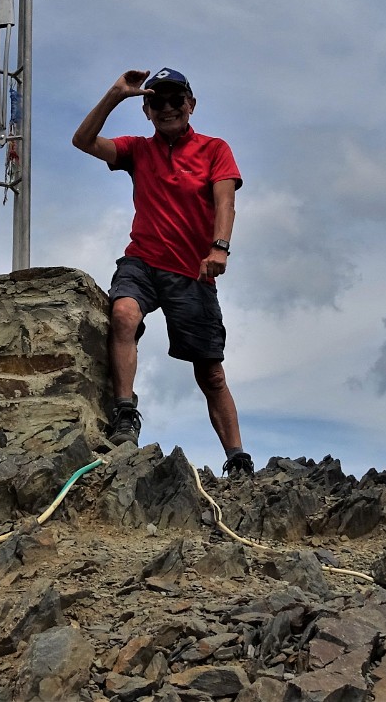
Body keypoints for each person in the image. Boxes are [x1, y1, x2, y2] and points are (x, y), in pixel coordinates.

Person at [71, 67, 254, 477]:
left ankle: (237, 456)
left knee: (210, 373)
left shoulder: (214, 149)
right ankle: (124, 413)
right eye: (158, 101)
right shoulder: (138, 149)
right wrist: (116, 93)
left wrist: (219, 247)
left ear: (191, 104)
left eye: (177, 100)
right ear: (147, 110)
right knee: (123, 315)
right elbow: (82, 141)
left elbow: (225, 202)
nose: (168, 108)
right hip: (143, 261)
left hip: (193, 271)